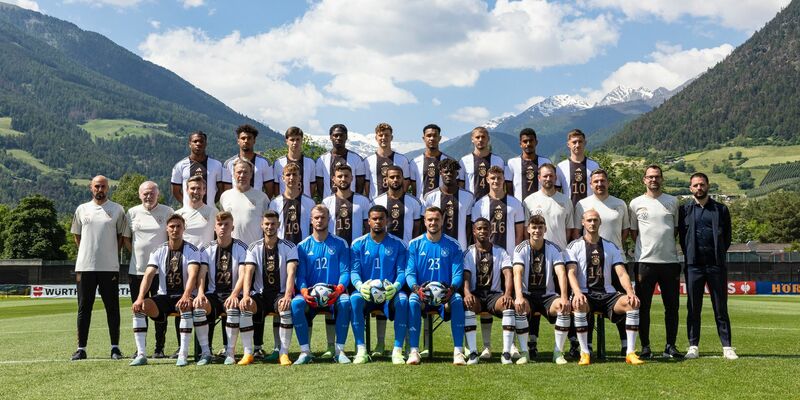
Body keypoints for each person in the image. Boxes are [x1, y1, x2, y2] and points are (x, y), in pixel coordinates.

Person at [565, 210, 644, 366]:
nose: (592, 223)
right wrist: (577, 293)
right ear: (583, 222)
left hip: (607, 294)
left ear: (600, 222)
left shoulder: (610, 246)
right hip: (586, 294)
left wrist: (630, 292)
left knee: (632, 303)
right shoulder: (574, 246)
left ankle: (630, 352)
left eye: (595, 220)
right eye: (589, 220)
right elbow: (571, 273)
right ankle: (585, 353)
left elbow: (621, 273)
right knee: (579, 303)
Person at [129, 214, 202, 367]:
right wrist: (140, 297)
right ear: (166, 229)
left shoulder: (191, 250)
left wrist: (186, 295)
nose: (175, 230)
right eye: (172, 227)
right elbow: (148, 276)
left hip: (184, 296)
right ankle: (141, 354)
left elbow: (193, 274)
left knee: (186, 305)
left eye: (178, 226)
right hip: (164, 296)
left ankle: (183, 353)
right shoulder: (158, 250)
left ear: (184, 229)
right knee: (139, 307)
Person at [678, 172, 736, 360]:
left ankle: (727, 346)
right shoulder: (684, 210)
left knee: (720, 307)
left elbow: (727, 237)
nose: (699, 188)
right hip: (693, 265)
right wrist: (690, 254)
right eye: (695, 185)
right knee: (693, 307)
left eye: (702, 184)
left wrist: (718, 253)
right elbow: (682, 238)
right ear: (690, 188)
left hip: (716, 265)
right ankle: (693, 345)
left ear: (708, 185)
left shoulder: (721, 209)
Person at [573, 169, 631, 355]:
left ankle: (626, 345)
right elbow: (576, 231)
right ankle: (586, 347)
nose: (600, 184)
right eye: (596, 181)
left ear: (608, 183)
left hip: (614, 258)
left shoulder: (619, 204)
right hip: (588, 259)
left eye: (603, 181)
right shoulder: (582, 204)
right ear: (591, 184)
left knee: (622, 302)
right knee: (585, 300)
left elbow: (625, 232)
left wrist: (613, 248)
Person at [70, 175, 128, 361]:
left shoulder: (117, 210)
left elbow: (121, 237)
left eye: (103, 186)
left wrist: (110, 253)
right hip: (85, 267)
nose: (100, 189)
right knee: (83, 308)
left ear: (107, 188)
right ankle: (81, 348)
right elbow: (77, 235)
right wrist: (87, 253)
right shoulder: (82, 209)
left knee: (112, 308)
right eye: (96, 186)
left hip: (109, 267)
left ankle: (115, 348)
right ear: (90, 188)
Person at [629, 164, 683, 359]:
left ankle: (671, 345)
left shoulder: (673, 202)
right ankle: (645, 346)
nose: (654, 180)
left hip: (669, 262)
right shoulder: (635, 203)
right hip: (645, 262)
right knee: (643, 307)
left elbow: (675, 230)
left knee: (672, 307)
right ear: (644, 180)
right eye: (650, 177)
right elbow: (634, 233)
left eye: (657, 177)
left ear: (662, 179)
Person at [237, 210, 299, 366]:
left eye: (273, 224)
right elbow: (248, 273)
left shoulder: (289, 246)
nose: (269, 227)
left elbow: (291, 273)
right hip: (260, 294)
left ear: (278, 225)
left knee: (285, 308)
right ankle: (248, 353)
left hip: (279, 293)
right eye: (266, 224)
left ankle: (283, 353)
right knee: (246, 306)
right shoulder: (253, 247)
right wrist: (245, 296)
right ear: (261, 225)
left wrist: (287, 296)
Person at [291, 205, 352, 364]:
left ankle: (339, 351)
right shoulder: (302, 246)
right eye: (316, 217)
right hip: (310, 296)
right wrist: (304, 291)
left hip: (334, 294)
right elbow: (301, 276)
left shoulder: (340, 243)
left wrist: (338, 290)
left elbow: (345, 272)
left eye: (323, 217)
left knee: (345, 302)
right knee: (296, 303)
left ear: (329, 219)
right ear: (311, 220)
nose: (319, 220)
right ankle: (305, 352)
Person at [405, 207, 466, 365]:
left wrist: (452, 289)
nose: (433, 222)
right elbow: (409, 274)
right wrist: (417, 289)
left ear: (442, 221)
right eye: (430, 219)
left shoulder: (454, 245)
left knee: (458, 300)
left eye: (436, 219)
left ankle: (458, 352)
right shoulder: (414, 244)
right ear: (424, 221)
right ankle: (414, 351)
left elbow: (458, 273)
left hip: (446, 295)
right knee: (412, 301)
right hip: (422, 294)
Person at [349, 205, 410, 364]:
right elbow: (354, 272)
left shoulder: (399, 244)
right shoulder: (357, 244)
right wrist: (360, 286)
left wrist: (396, 286)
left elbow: (402, 271)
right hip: (366, 293)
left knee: (403, 300)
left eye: (381, 218)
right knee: (354, 299)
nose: (377, 222)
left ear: (387, 220)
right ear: (368, 221)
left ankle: (397, 350)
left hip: (390, 292)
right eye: (374, 219)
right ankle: (361, 349)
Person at [123, 181, 173, 359]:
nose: (148, 196)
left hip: (161, 273)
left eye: (152, 193)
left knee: (160, 311)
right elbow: (126, 239)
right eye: (145, 193)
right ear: (139, 195)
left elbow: (171, 239)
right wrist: (137, 254)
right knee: (139, 309)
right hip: (136, 271)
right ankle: (140, 349)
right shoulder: (132, 212)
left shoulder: (167, 212)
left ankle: (159, 348)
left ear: (157, 194)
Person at [192, 212, 250, 365]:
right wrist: (199, 293)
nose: (223, 227)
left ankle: (229, 352)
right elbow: (202, 273)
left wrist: (235, 294)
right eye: (220, 224)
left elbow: (243, 275)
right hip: (213, 294)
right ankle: (206, 353)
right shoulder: (206, 249)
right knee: (198, 307)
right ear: (214, 228)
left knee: (232, 308)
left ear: (232, 227)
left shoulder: (242, 247)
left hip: (234, 293)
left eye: (226, 224)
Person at [513, 215, 571, 365]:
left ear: (545, 229)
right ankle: (524, 352)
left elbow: (561, 272)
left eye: (540, 227)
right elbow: (517, 272)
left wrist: (564, 297)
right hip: (528, 295)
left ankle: (558, 352)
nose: (537, 230)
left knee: (563, 307)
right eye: (534, 227)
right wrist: (518, 296)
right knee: (520, 307)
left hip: (547, 296)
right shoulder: (520, 248)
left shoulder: (553, 248)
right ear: (528, 229)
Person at [462, 218, 517, 365]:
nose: (482, 231)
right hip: (476, 294)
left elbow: (508, 274)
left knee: (508, 305)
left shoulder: (501, 251)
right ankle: (473, 353)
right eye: (479, 229)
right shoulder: (468, 253)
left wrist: (507, 294)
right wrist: (467, 294)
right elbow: (465, 276)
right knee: (469, 305)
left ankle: (506, 353)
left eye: (485, 228)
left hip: (494, 295)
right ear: (474, 231)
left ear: (490, 231)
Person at [423, 158, 474, 250]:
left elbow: (468, 226)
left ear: (457, 174)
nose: (449, 174)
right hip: (436, 247)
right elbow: (426, 224)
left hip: (460, 247)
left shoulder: (468, 197)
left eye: (452, 172)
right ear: (440, 173)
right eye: (446, 172)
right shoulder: (430, 196)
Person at [523, 163, 575, 250]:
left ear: (556, 178)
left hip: (560, 252)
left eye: (551, 176)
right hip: (537, 252)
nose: (548, 179)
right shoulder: (529, 201)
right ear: (539, 178)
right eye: (545, 176)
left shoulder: (566, 201)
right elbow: (526, 231)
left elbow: (569, 230)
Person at [220, 158, 271, 247]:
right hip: (232, 249)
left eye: (245, 172)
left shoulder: (262, 197)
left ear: (251, 174)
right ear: (233, 174)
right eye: (239, 172)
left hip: (255, 249)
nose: (242, 175)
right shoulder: (225, 197)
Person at [171, 131, 224, 207]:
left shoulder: (217, 165)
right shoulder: (179, 166)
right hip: (188, 213)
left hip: (210, 212)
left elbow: (221, 189)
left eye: (201, 141)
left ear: (206, 144)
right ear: (189, 144)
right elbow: (176, 191)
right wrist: (187, 205)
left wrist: (210, 204)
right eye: (195, 141)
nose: (198, 144)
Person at [371, 165, 423, 243]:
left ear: (402, 179)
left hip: (406, 248)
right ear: (386, 180)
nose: (395, 180)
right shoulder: (377, 202)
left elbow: (417, 230)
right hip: (383, 248)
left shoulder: (415, 202)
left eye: (398, 177)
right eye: (392, 177)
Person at [321, 164, 372, 244]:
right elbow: (322, 227)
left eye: (346, 176)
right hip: (333, 248)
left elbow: (368, 227)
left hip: (355, 248)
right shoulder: (326, 202)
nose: (343, 179)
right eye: (340, 176)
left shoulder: (363, 201)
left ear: (352, 178)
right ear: (333, 179)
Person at [269, 163, 316, 245]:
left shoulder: (310, 203)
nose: (291, 178)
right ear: (283, 178)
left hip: (304, 249)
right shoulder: (275, 203)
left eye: (294, 174)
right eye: (288, 175)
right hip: (282, 250)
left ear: (300, 177)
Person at [363, 122, 413, 200]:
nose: (383, 138)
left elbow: (406, 182)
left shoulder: (402, 160)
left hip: (397, 202)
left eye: (386, 135)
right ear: (376, 138)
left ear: (391, 137)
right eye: (380, 135)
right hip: (375, 205)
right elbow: (367, 184)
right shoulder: (368, 161)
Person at [459, 126, 510, 200]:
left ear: (488, 139)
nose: (480, 140)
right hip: (471, 205)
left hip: (493, 204)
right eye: (477, 137)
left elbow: (503, 184)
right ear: (472, 139)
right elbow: (461, 186)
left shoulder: (498, 160)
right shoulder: (464, 161)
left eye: (483, 137)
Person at [315, 124, 366, 198]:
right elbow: (319, 186)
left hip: (352, 203)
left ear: (346, 137)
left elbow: (360, 185)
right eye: (335, 135)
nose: (338, 138)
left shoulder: (357, 159)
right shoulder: (322, 160)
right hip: (328, 205)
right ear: (330, 137)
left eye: (341, 135)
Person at [222, 124, 274, 197]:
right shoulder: (229, 163)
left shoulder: (265, 162)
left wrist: (262, 204)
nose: (246, 141)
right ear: (238, 141)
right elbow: (226, 190)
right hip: (236, 205)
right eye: (243, 138)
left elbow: (270, 190)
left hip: (258, 206)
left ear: (254, 141)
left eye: (249, 138)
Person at [555, 129, 601, 207]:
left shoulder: (594, 166)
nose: (577, 145)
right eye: (574, 142)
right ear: (568, 144)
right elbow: (556, 193)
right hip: (569, 211)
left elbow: (599, 190)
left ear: (585, 143)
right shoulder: (561, 167)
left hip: (590, 211)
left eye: (580, 142)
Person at [411, 124, 455, 200]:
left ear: (440, 138)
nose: (432, 138)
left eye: (435, 135)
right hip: (422, 207)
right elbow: (414, 188)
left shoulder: (449, 161)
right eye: (429, 135)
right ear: (423, 138)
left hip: (442, 205)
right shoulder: (415, 162)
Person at [506, 128, 552, 200]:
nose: (528, 144)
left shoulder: (545, 162)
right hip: (519, 207)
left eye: (531, 141)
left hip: (541, 206)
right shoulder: (512, 163)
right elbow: (508, 187)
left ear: (536, 142)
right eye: (525, 141)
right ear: (520, 144)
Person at [175, 176, 218, 248]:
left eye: (199, 188)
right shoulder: (178, 214)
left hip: (206, 258)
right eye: (192, 188)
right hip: (186, 257)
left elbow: (219, 236)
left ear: (204, 190)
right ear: (187, 190)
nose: (195, 191)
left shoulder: (213, 212)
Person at [273, 126, 317, 197]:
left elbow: (312, 185)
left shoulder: (310, 163)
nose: (295, 142)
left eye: (298, 139)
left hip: (305, 205)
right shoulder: (278, 163)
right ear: (287, 141)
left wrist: (307, 200)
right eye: (292, 140)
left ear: (302, 140)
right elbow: (276, 185)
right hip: (284, 204)